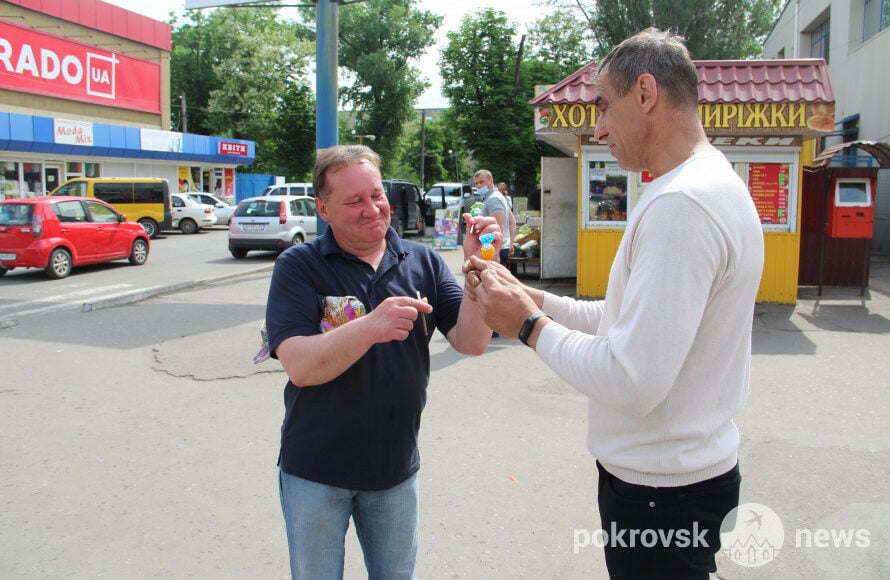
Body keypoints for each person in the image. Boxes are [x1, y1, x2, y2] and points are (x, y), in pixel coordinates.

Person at [463, 28, 764, 579]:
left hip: (661, 492)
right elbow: (625, 323)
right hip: (682, 479)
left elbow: (632, 378)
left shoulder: (683, 205)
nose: (597, 126)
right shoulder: (706, 184)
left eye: (604, 104)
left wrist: (528, 325)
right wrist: (536, 299)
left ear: (645, 93)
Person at [264, 144, 500, 579]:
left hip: (394, 471)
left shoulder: (422, 260)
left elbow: (472, 341)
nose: (372, 209)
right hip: (315, 471)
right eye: (354, 201)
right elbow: (299, 365)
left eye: (376, 194)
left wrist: (481, 266)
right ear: (324, 208)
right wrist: (372, 326)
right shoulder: (299, 266)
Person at [473, 170, 516, 267]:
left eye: (482, 182)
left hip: (494, 250)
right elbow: (512, 221)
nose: (479, 186)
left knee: (492, 280)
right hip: (500, 248)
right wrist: (510, 243)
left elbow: (497, 228)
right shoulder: (498, 196)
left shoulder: (493, 199)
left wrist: (495, 254)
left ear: (491, 181)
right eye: (476, 183)